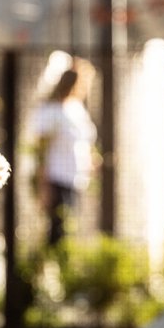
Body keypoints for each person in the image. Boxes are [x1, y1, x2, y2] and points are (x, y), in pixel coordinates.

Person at [31, 61, 96, 248]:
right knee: (58, 228)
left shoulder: (76, 109)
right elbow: (40, 149)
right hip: (56, 176)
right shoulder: (51, 111)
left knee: (70, 225)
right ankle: (52, 260)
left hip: (75, 176)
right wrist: (43, 183)